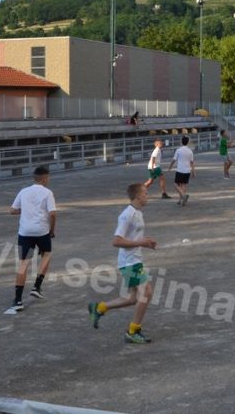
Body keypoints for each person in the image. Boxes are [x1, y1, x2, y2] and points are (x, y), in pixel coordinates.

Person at [88, 182, 157, 344]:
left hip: (134, 260)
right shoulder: (127, 215)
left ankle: (99, 308)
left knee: (134, 298)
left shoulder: (138, 213)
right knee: (146, 293)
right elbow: (116, 241)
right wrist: (140, 242)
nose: (148, 196)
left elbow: (133, 238)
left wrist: (145, 243)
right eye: (146, 193)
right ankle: (133, 331)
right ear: (138, 196)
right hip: (129, 263)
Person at [6, 166, 57, 314]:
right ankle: (37, 286)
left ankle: (17, 300)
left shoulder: (23, 191)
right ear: (45, 178)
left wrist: (27, 210)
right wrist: (52, 230)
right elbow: (52, 214)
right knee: (47, 254)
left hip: (25, 232)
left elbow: (12, 210)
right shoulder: (47, 193)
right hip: (41, 231)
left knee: (24, 264)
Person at [168, 135, 195, 206]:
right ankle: (181, 200)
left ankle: (183, 195)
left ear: (181, 142)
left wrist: (170, 167)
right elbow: (192, 162)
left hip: (180, 170)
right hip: (187, 171)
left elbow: (174, 160)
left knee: (176, 185)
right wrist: (193, 171)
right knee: (183, 185)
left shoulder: (178, 150)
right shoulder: (190, 151)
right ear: (188, 142)